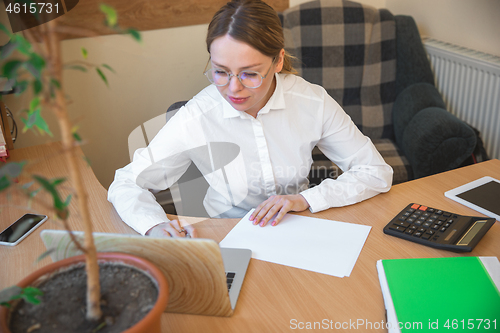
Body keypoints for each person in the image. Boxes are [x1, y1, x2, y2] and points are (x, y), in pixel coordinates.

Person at [108, 0, 393, 238]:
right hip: (225, 232)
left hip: (298, 230)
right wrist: (155, 226)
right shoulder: (198, 116)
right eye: (221, 71)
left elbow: (375, 172)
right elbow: (127, 183)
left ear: (278, 61)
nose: (234, 88)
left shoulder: (311, 101)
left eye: (250, 73)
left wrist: (305, 199)